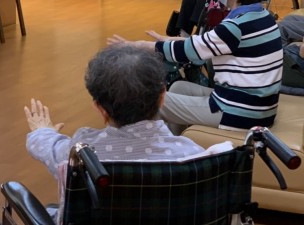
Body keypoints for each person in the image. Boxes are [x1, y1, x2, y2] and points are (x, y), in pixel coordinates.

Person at [109, 0, 283, 133]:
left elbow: (190, 51)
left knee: (154, 100)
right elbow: (204, 44)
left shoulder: (235, 27)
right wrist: (168, 40)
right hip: (259, 108)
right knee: (179, 87)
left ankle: (152, 147)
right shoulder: (263, 17)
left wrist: (138, 46)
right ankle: (175, 143)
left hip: (239, 112)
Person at [25, 46, 205, 180]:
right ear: (162, 97)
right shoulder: (192, 155)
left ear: (100, 109)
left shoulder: (82, 153)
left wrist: (42, 132)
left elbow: (50, 151)